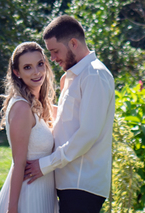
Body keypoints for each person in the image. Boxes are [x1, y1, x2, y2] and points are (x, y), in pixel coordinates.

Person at [23, 15, 114, 213]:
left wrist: (46, 164)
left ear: (73, 43)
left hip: (82, 184)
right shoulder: (75, 76)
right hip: (69, 183)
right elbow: (67, 121)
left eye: (55, 51)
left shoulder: (94, 75)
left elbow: (88, 134)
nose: (53, 58)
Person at [0, 42, 59, 213]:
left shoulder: (40, 105)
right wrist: (12, 208)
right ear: (17, 73)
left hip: (43, 193)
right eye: (27, 67)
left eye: (40, 64)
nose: (37, 72)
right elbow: (18, 163)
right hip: (27, 196)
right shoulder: (22, 108)